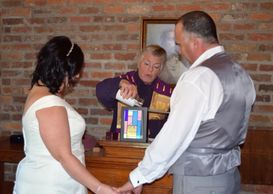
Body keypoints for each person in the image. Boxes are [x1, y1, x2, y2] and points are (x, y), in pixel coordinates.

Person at [118, 11, 256, 194]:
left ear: (195, 43)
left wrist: (139, 176)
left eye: (180, 44)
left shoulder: (198, 78)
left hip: (199, 181)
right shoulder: (242, 74)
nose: (179, 51)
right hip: (230, 177)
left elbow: (174, 136)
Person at [13, 36, 118, 194]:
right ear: (66, 69)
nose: (77, 76)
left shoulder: (38, 91)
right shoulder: (50, 103)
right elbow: (64, 156)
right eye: (77, 71)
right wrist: (99, 188)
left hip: (51, 181)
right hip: (51, 185)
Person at [96, 45, 172, 139]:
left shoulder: (167, 92)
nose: (150, 69)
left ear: (160, 69)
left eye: (156, 66)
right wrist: (121, 83)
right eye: (146, 64)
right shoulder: (125, 81)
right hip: (121, 145)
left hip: (153, 147)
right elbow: (100, 91)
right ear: (139, 63)